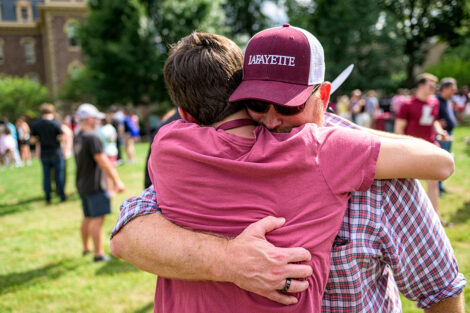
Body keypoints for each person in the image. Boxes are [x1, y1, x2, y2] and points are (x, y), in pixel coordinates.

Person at [111, 29, 465, 312]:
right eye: (256, 103)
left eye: (286, 105)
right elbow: (127, 232)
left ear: (323, 96)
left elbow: (440, 290)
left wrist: (340, 135)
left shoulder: (376, 174)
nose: (271, 119)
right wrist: (229, 259)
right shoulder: (206, 155)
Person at [74, 103, 126, 262]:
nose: (97, 121)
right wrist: (117, 181)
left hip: (82, 183)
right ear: (89, 119)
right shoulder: (92, 137)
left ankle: (86, 248)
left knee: (87, 216)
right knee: (98, 218)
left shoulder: (78, 136)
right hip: (95, 184)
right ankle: (98, 254)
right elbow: (103, 161)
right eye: (96, 118)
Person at [395, 73, 449, 218]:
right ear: (421, 85)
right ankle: (410, 217)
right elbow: (399, 128)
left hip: (430, 145)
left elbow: (434, 121)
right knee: (410, 184)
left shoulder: (434, 102)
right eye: (431, 85)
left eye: (435, 85)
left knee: (433, 182)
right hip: (412, 147)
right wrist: (401, 147)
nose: (434, 88)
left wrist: (440, 131)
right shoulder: (407, 104)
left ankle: (435, 217)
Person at [31, 103, 66, 204]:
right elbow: (62, 138)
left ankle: (48, 198)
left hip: (44, 152)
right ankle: (62, 197)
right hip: (55, 151)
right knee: (59, 175)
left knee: (46, 176)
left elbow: (33, 140)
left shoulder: (36, 124)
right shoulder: (55, 123)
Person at [436, 77, 458, 195]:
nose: (455, 91)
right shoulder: (436, 101)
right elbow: (432, 118)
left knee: (446, 160)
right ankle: (437, 188)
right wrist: (438, 124)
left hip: (448, 134)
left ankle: (441, 186)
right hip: (441, 135)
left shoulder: (447, 101)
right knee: (441, 162)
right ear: (445, 88)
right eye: (453, 88)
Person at [98, 113, 119, 195]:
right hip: (113, 151)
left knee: (107, 172)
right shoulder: (111, 128)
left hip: (106, 152)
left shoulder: (102, 129)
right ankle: (115, 186)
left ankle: (109, 190)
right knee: (113, 169)